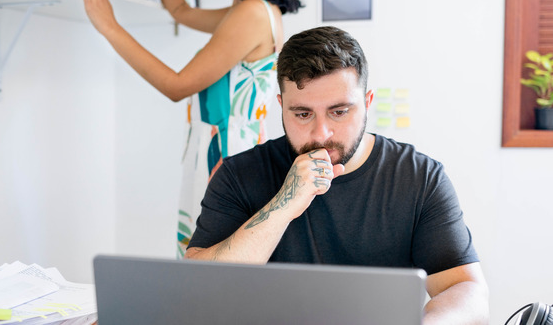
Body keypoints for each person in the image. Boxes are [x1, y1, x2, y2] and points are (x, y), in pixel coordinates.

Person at [185, 26, 490, 324]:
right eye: (302, 114)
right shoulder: (238, 174)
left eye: (339, 111)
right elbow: (196, 288)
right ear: (281, 106)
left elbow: (466, 289)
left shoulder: (419, 177)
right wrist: (284, 205)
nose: (321, 133)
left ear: (367, 103)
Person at [76, 0, 302, 256]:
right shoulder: (251, 9)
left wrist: (109, 26)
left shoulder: (252, 14)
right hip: (226, 161)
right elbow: (181, 10)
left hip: (228, 167)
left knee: (209, 284)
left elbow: (177, 86)